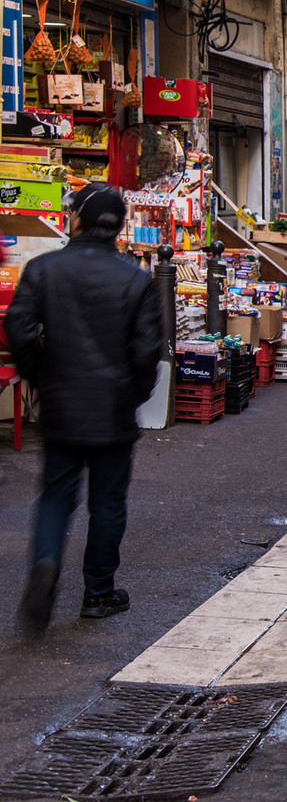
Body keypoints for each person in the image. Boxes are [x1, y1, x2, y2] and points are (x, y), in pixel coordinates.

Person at [10, 184, 165, 635]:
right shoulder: (135, 279)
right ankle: (98, 593)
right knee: (108, 502)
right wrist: (133, 395)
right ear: (117, 226)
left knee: (57, 495)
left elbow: (17, 327)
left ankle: (45, 562)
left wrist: (39, 376)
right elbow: (147, 351)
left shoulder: (43, 269)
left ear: (78, 219)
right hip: (115, 409)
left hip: (61, 402)